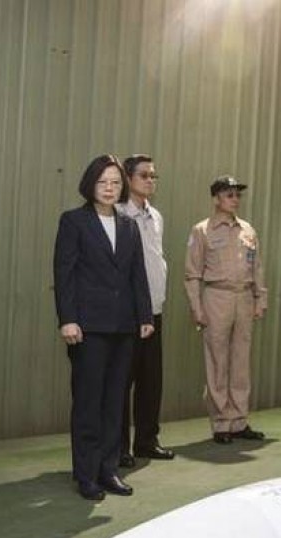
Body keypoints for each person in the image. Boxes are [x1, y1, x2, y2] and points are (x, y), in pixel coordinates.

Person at [54, 154, 154, 501]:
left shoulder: (128, 225)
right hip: (87, 328)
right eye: (103, 182)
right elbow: (64, 274)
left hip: (123, 327)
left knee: (114, 401)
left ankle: (108, 469)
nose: (110, 188)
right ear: (90, 186)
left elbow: (137, 274)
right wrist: (68, 318)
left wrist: (144, 317)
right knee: (88, 402)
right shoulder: (73, 222)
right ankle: (86, 475)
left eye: (115, 182)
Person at [184, 175, 267, 444]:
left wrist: (260, 298)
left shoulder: (248, 230)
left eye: (237, 195)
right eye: (229, 195)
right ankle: (221, 423)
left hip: (243, 297)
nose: (235, 200)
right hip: (216, 297)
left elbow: (257, 268)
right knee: (218, 361)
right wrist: (197, 307)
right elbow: (192, 273)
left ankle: (239, 421)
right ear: (216, 198)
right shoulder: (202, 230)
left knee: (241, 362)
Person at [116, 155, 174, 467]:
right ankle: (120, 448)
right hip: (127, 313)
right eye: (144, 175)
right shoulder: (118, 215)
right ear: (127, 178)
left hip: (154, 309)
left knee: (151, 380)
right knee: (122, 381)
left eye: (154, 175)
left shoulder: (156, 216)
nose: (150, 180)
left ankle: (147, 441)